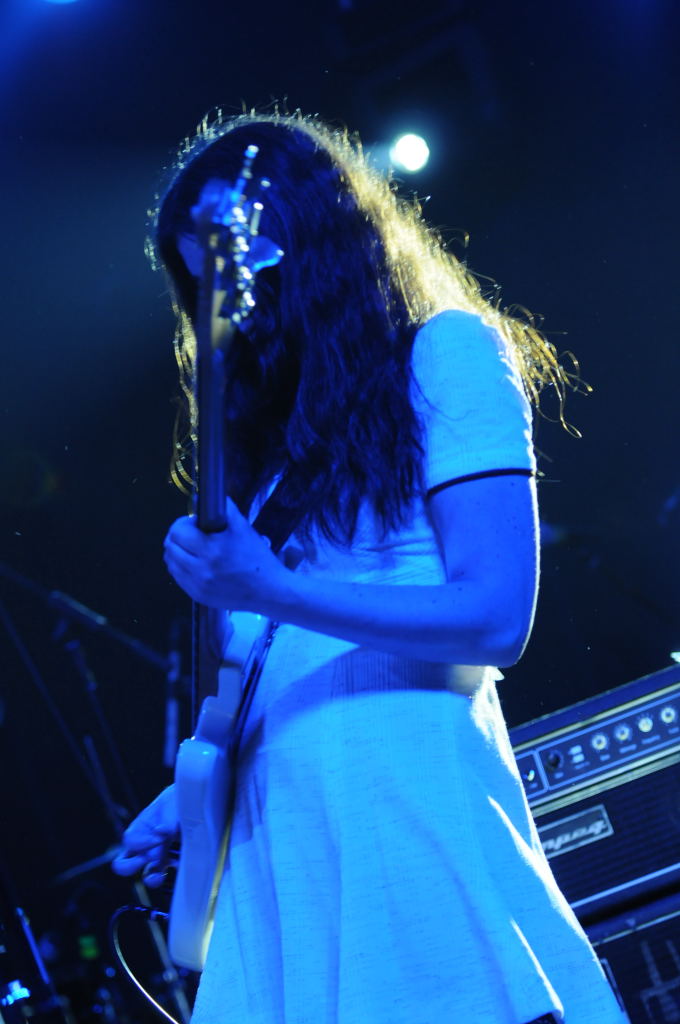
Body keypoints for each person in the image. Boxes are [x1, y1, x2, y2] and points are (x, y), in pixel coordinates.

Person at [113, 111, 626, 1024]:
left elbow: (495, 616)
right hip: (285, 842)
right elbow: (285, 660)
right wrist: (198, 794)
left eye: (241, 280)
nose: (231, 316)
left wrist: (269, 587)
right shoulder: (279, 458)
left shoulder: (447, 352)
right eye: (205, 293)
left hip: (401, 797)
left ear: (312, 243)